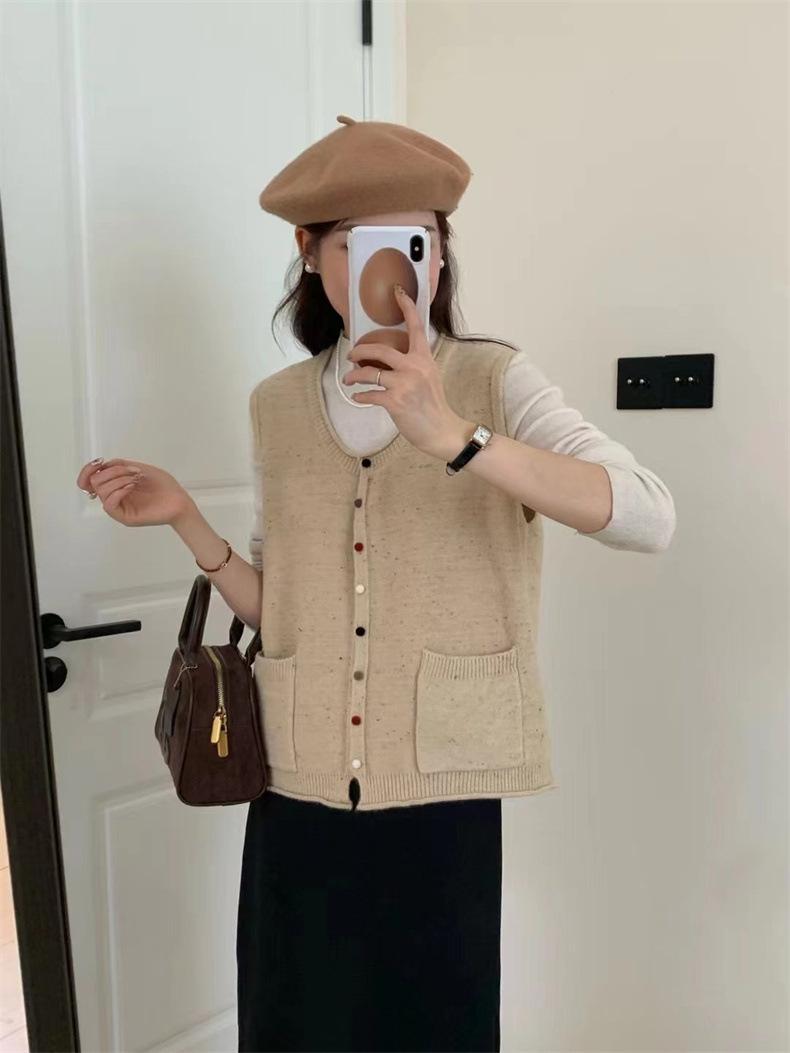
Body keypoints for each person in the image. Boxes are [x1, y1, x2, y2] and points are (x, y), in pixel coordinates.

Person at [75, 114, 676, 1052]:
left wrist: (456, 437)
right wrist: (188, 519)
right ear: (310, 253)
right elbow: (284, 613)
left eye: (418, 241)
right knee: (292, 1024)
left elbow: (647, 513)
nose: (396, 266)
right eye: (360, 241)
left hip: (440, 793)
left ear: (439, 254)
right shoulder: (277, 405)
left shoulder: (494, 380)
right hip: (297, 788)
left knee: (434, 1028)